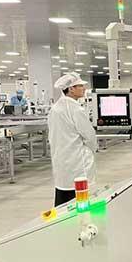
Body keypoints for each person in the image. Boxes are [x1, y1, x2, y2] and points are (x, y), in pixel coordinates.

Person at [48, 72, 97, 206]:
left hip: (60, 161)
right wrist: (92, 150)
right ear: (71, 89)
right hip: (77, 161)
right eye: (80, 86)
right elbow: (89, 135)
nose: (83, 88)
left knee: (62, 198)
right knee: (79, 199)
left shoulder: (55, 108)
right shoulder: (76, 109)